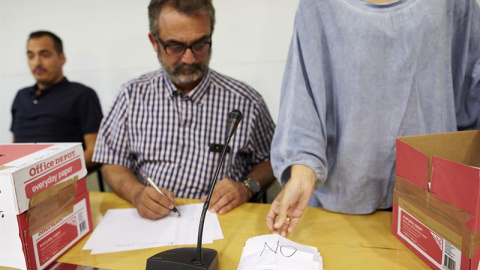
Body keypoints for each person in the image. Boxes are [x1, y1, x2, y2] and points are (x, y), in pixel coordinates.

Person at [267, 0, 480, 236]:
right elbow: (302, 96)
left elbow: (472, 78)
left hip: (431, 198)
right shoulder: (318, 6)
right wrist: (301, 172)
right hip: (343, 199)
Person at [93, 0, 276, 220]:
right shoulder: (131, 95)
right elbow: (112, 161)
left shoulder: (246, 101)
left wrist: (246, 187)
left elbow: (272, 159)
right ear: (154, 41)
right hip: (147, 223)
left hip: (220, 221)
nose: (189, 59)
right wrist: (137, 194)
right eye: (175, 46)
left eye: (200, 45)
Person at [10, 31, 103, 170]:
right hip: (20, 179)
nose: (37, 62)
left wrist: (49, 172)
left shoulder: (82, 94)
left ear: (62, 58)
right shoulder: (21, 96)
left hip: (59, 180)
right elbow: (15, 145)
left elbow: (95, 151)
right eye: (31, 56)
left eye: (45, 55)